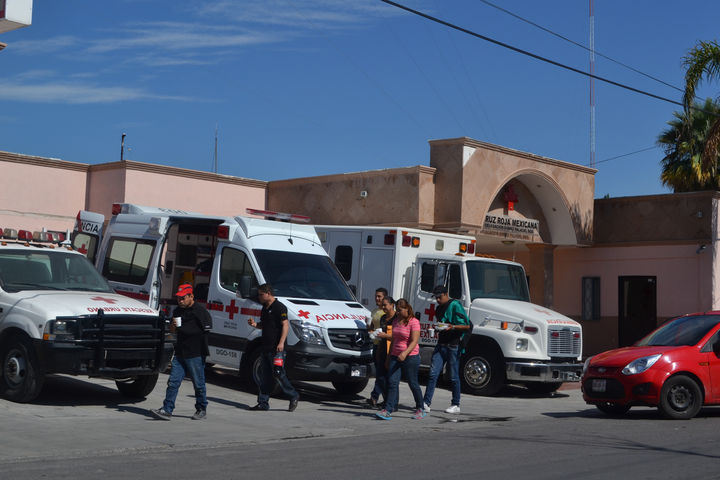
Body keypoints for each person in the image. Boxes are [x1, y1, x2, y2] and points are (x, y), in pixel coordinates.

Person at [151, 283, 212, 421]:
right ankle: (167, 409)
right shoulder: (178, 311)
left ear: (191, 296)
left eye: (183, 298)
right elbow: (174, 331)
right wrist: (173, 326)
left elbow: (206, 330)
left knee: (198, 384)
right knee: (173, 382)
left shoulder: (201, 312)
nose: (180, 301)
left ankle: (201, 408)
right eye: (178, 298)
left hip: (195, 353)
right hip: (180, 353)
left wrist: (185, 328)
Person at [247, 283, 299, 412]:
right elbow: (264, 325)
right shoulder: (265, 308)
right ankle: (263, 403)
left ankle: (293, 395)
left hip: (277, 349)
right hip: (265, 347)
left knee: (278, 373)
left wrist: (281, 343)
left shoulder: (279, 307)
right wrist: (255, 325)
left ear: (268, 293)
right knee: (265, 376)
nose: (259, 297)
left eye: (261, 294)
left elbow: (285, 325)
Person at [423, 285, 472, 414]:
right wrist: (436, 329)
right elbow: (441, 325)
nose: (438, 300)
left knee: (454, 376)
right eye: (436, 298)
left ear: (446, 294)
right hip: (441, 344)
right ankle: (426, 403)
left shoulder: (455, 305)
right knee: (433, 374)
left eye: (439, 297)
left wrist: (453, 327)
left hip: (453, 345)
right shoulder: (438, 309)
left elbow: (466, 325)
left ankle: (456, 404)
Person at [375, 298, 425, 420]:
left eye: (400, 310)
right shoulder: (396, 321)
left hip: (410, 356)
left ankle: (420, 407)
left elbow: (414, 341)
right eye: (397, 310)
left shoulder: (414, 322)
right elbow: (394, 339)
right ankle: (388, 409)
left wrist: (405, 353)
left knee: (412, 383)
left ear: (407, 309)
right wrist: (389, 357)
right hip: (395, 356)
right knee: (392, 382)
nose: (397, 312)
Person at [367, 295, 395, 408]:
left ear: (392, 305)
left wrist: (385, 336)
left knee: (391, 379)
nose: (383, 307)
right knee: (380, 376)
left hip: (392, 350)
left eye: (385, 305)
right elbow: (380, 335)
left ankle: (391, 403)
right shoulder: (383, 318)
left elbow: (398, 336)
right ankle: (384, 400)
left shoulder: (396, 318)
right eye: (382, 305)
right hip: (382, 348)